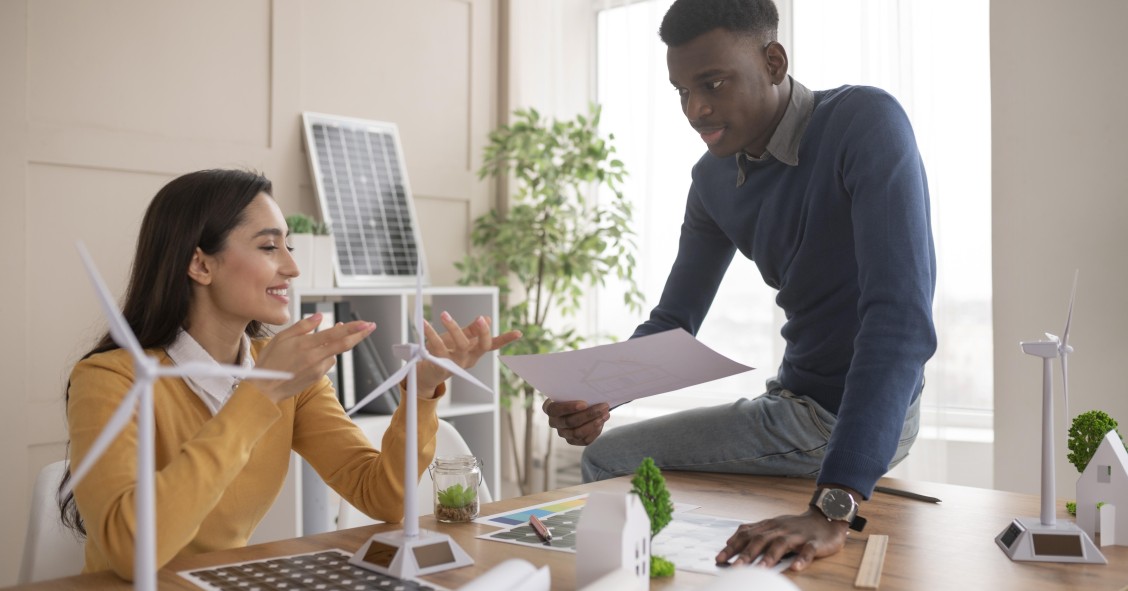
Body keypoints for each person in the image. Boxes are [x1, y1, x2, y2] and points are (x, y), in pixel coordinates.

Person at [543, 0, 936, 571]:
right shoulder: (711, 180)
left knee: (609, 461)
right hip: (791, 399)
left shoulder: (864, 122)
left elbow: (899, 320)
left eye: (713, 82)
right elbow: (675, 322)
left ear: (773, 61)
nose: (695, 108)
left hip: (851, 412)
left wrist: (832, 510)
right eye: (680, 90)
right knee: (610, 450)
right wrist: (598, 393)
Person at [58, 169, 521, 579]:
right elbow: (130, 550)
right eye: (268, 246)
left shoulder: (287, 375)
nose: (293, 267)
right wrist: (261, 396)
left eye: (289, 245)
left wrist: (419, 392)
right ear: (200, 264)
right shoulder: (110, 378)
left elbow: (381, 495)